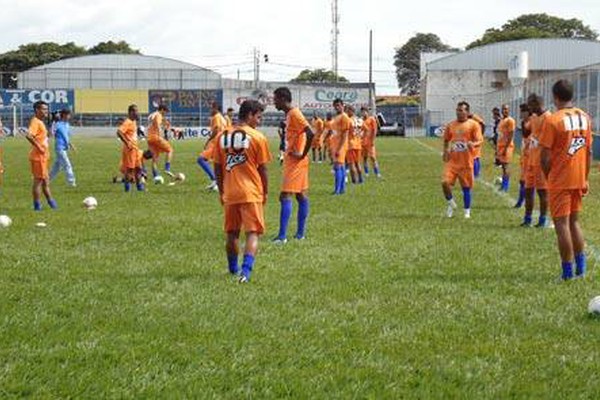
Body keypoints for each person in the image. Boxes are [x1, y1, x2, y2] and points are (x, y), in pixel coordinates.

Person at [540, 80, 592, 281]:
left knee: (561, 224)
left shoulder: (553, 120)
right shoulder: (585, 117)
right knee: (574, 222)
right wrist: (585, 177)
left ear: (555, 97)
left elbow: (544, 157)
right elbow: (587, 152)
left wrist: (548, 176)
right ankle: (581, 269)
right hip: (579, 177)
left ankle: (567, 274)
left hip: (561, 179)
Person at [213, 100, 271, 283]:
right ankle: (245, 273)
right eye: (259, 117)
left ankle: (232, 269)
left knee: (232, 233)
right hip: (251, 191)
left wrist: (222, 191)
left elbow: (217, 167)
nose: (259, 122)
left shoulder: (221, 136)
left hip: (230, 192)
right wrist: (266, 192)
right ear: (251, 114)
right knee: (252, 233)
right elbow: (263, 169)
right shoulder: (258, 137)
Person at [272, 87, 314, 243]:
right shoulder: (289, 115)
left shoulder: (295, 113)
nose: (274, 102)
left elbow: (311, 133)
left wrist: (302, 154)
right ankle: (300, 235)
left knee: (285, 195)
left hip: (296, 161)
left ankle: (282, 237)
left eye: (275, 99)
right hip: (294, 160)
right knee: (301, 195)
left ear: (283, 99)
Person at [441, 101, 483, 219]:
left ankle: (467, 211)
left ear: (467, 112)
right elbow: (446, 139)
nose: (458, 112)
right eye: (457, 110)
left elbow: (480, 140)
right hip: (452, 161)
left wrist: (473, 144)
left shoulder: (473, 125)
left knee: (466, 188)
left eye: (461, 110)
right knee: (445, 183)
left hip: (466, 161)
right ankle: (451, 203)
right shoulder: (451, 125)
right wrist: (445, 151)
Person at [522, 94, 551, 228]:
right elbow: (527, 131)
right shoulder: (533, 117)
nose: (529, 107)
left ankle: (543, 219)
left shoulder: (548, 118)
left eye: (530, 104)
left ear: (537, 104)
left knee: (542, 192)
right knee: (528, 190)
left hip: (541, 161)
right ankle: (527, 219)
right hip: (531, 160)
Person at [25, 101, 57, 210]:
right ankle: (37, 206)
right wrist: (39, 147)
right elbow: (29, 136)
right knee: (38, 182)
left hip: (42, 157)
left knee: (45, 181)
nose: (46, 111)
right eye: (44, 109)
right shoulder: (35, 122)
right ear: (37, 110)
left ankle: (52, 204)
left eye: (47, 109)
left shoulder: (40, 122)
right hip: (38, 157)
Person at [116, 104, 145, 192]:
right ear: (131, 112)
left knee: (138, 168)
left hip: (135, 149)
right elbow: (119, 132)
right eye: (136, 111)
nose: (137, 113)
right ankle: (127, 189)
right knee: (130, 170)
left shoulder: (133, 121)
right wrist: (127, 142)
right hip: (130, 150)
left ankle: (140, 188)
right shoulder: (128, 122)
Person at [197, 102, 225, 191]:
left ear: (215, 108)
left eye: (211, 108)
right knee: (217, 162)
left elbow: (216, 130)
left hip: (216, 142)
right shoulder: (222, 117)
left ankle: (215, 180)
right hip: (222, 142)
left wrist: (208, 140)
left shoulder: (216, 117)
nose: (210, 110)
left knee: (201, 159)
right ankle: (217, 183)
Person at [49, 109, 77, 187]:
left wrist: (71, 145)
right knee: (67, 165)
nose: (70, 116)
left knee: (57, 167)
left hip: (64, 148)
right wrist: (53, 123)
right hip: (59, 148)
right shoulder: (57, 124)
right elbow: (51, 134)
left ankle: (47, 180)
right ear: (64, 115)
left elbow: (66, 136)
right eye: (68, 114)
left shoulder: (67, 125)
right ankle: (71, 182)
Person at [147, 104, 174, 178]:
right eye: (165, 111)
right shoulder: (158, 115)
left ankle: (156, 176)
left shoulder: (152, 114)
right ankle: (167, 168)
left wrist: (166, 123)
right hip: (156, 137)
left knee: (155, 158)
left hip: (149, 138)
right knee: (170, 150)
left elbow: (153, 122)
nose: (165, 113)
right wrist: (161, 135)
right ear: (162, 109)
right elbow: (158, 125)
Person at [331, 99, 351, 195]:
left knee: (337, 166)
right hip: (336, 144)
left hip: (340, 145)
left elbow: (345, 135)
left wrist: (339, 148)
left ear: (343, 105)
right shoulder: (337, 117)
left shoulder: (344, 117)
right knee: (341, 166)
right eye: (335, 106)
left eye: (338, 105)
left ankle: (337, 190)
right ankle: (342, 189)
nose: (336, 107)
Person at [514, 103, 532, 208]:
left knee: (526, 181)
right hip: (525, 154)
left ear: (527, 112)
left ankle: (521, 202)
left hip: (531, 155)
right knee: (523, 180)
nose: (520, 113)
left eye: (522, 111)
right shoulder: (523, 123)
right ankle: (521, 201)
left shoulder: (532, 122)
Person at [497, 104, 516, 192]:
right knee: (503, 167)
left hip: (507, 147)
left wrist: (506, 148)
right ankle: (503, 185)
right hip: (501, 146)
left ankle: (505, 186)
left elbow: (511, 135)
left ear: (509, 110)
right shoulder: (502, 120)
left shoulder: (510, 121)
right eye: (503, 109)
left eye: (506, 109)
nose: (505, 111)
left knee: (506, 166)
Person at [345, 105, 363, 184]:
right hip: (358, 144)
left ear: (350, 111)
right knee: (358, 163)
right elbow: (365, 129)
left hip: (350, 144)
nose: (346, 112)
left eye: (347, 111)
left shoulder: (348, 120)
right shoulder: (360, 120)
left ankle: (354, 181)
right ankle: (361, 179)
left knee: (351, 163)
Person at [361, 107, 381, 178]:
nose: (363, 113)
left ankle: (377, 173)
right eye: (362, 112)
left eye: (364, 112)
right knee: (364, 158)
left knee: (373, 157)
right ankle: (366, 173)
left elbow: (375, 130)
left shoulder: (372, 119)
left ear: (367, 112)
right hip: (362, 142)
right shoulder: (361, 121)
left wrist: (372, 140)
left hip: (370, 142)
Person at [469, 113, 485, 178]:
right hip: (474, 137)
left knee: (474, 156)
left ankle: (476, 174)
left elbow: (482, 123)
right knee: (476, 156)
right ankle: (476, 172)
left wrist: (481, 133)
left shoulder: (474, 117)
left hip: (477, 137)